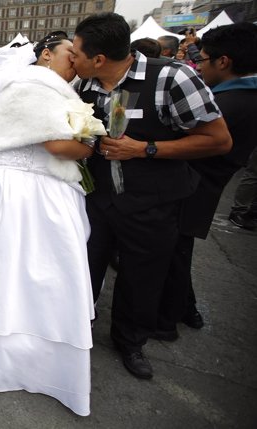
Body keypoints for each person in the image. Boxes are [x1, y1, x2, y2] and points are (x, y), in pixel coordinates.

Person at [0, 43, 102, 416]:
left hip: (29, 187)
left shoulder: (50, 86)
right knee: (12, 272)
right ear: (44, 56)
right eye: (67, 52)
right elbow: (58, 145)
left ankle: (19, 348)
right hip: (19, 191)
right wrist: (92, 142)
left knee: (13, 274)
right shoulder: (32, 83)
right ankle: (7, 350)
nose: (74, 58)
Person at [70, 13, 232, 380]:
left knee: (142, 276)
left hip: (152, 202)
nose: (72, 59)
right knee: (84, 267)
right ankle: (77, 331)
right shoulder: (86, 87)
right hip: (98, 198)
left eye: (76, 52)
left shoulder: (173, 78)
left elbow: (218, 140)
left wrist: (145, 149)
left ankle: (130, 341)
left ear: (99, 59)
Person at [160, 22, 257, 331]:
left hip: (195, 185)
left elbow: (201, 143)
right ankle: (187, 308)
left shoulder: (227, 105)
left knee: (173, 254)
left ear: (223, 61)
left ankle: (167, 320)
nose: (198, 67)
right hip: (207, 185)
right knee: (179, 251)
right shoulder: (241, 96)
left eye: (201, 60)